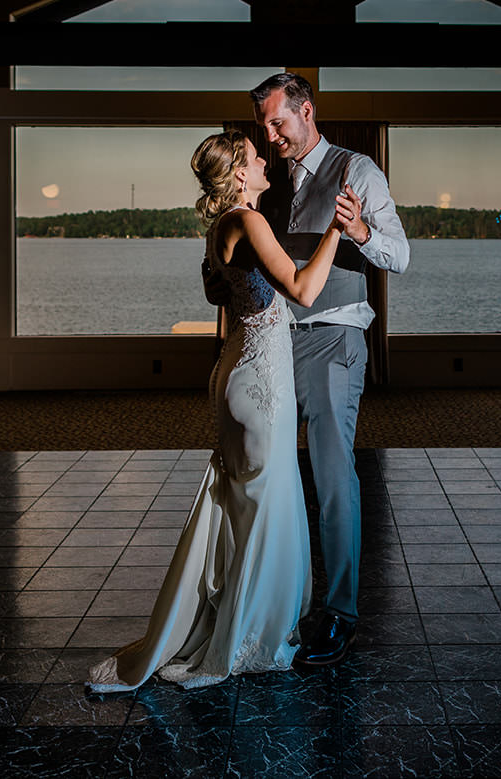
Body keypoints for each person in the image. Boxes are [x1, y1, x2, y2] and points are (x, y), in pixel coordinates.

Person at [87, 130, 355, 692]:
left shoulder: (221, 228)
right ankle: (253, 629)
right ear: (237, 173)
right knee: (268, 499)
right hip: (261, 382)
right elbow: (304, 290)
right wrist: (338, 228)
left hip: (238, 371)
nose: (265, 161)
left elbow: (218, 295)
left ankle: (241, 614)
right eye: (256, 158)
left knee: (247, 498)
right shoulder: (248, 221)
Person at [248, 72, 409, 668]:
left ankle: (340, 614)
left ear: (305, 111)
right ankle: (280, 599)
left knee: (332, 472)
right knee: (274, 474)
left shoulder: (356, 170)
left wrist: (361, 231)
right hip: (277, 343)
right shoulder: (281, 179)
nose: (270, 135)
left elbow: (402, 254)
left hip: (333, 338)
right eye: (264, 126)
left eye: (277, 122)